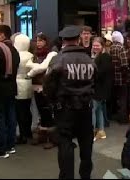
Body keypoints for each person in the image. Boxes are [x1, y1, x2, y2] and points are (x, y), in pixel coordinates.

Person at [43, 25, 97, 179]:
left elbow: (48, 84)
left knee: (65, 144)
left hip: (65, 109)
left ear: (63, 41)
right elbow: (97, 81)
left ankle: (67, 176)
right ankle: (85, 175)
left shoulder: (58, 59)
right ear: (78, 39)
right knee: (86, 144)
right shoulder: (89, 59)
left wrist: (53, 101)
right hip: (85, 107)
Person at [0, 25, 20, 159]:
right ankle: (10, 144)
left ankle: (1, 148)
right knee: (11, 116)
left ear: (2, 35)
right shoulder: (15, 51)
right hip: (12, 87)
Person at [26, 33, 58, 149]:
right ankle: (42, 135)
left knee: (48, 112)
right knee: (40, 111)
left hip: (46, 86)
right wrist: (34, 68)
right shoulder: (34, 54)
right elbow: (33, 67)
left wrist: (32, 68)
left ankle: (52, 138)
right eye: (37, 41)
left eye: (41, 41)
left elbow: (42, 68)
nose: (38, 43)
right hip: (35, 85)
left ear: (46, 41)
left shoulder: (51, 54)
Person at [91, 37, 113, 141]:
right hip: (101, 88)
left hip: (99, 88)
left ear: (102, 46)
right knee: (99, 109)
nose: (95, 47)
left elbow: (100, 73)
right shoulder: (100, 56)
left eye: (97, 45)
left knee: (93, 109)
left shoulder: (104, 57)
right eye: (94, 45)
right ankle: (101, 131)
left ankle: (93, 131)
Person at [13, 34, 34, 144]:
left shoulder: (16, 55)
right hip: (28, 83)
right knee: (27, 110)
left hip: (18, 83)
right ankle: (28, 131)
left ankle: (22, 134)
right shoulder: (30, 55)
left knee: (19, 111)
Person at [110, 31, 129, 123]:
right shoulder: (121, 47)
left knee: (116, 97)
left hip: (113, 77)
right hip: (121, 78)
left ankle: (115, 115)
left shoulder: (111, 47)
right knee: (123, 98)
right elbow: (124, 64)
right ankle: (122, 118)